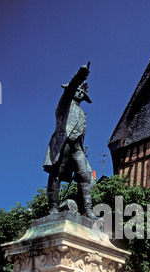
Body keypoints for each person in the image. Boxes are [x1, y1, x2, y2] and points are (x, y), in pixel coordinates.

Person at [43, 62, 96, 220]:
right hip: (62, 143)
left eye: (82, 92)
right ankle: (53, 208)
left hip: (76, 147)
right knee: (57, 174)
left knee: (86, 176)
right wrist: (79, 76)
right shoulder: (64, 105)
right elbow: (70, 90)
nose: (79, 93)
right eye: (77, 90)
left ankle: (87, 210)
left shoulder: (83, 113)